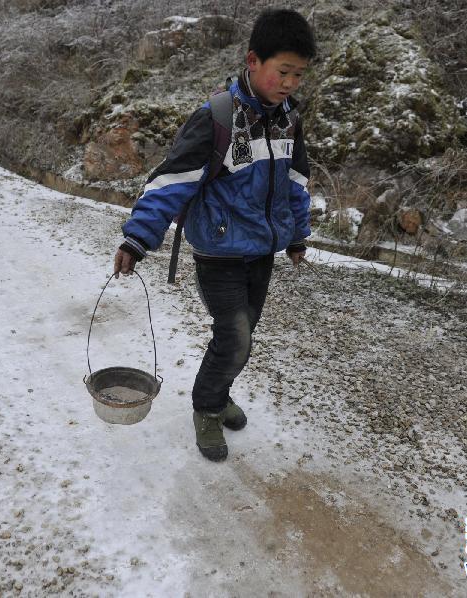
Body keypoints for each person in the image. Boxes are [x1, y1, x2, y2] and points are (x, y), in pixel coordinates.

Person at [112, 9, 316, 462]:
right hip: (219, 251)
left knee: (239, 336)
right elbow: (171, 181)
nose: (289, 83)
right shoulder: (218, 117)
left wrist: (297, 235)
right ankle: (207, 407)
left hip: (261, 252)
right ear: (252, 61)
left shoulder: (288, 120)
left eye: (298, 75)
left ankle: (219, 394)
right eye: (283, 72)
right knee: (236, 337)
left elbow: (297, 183)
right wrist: (137, 238)